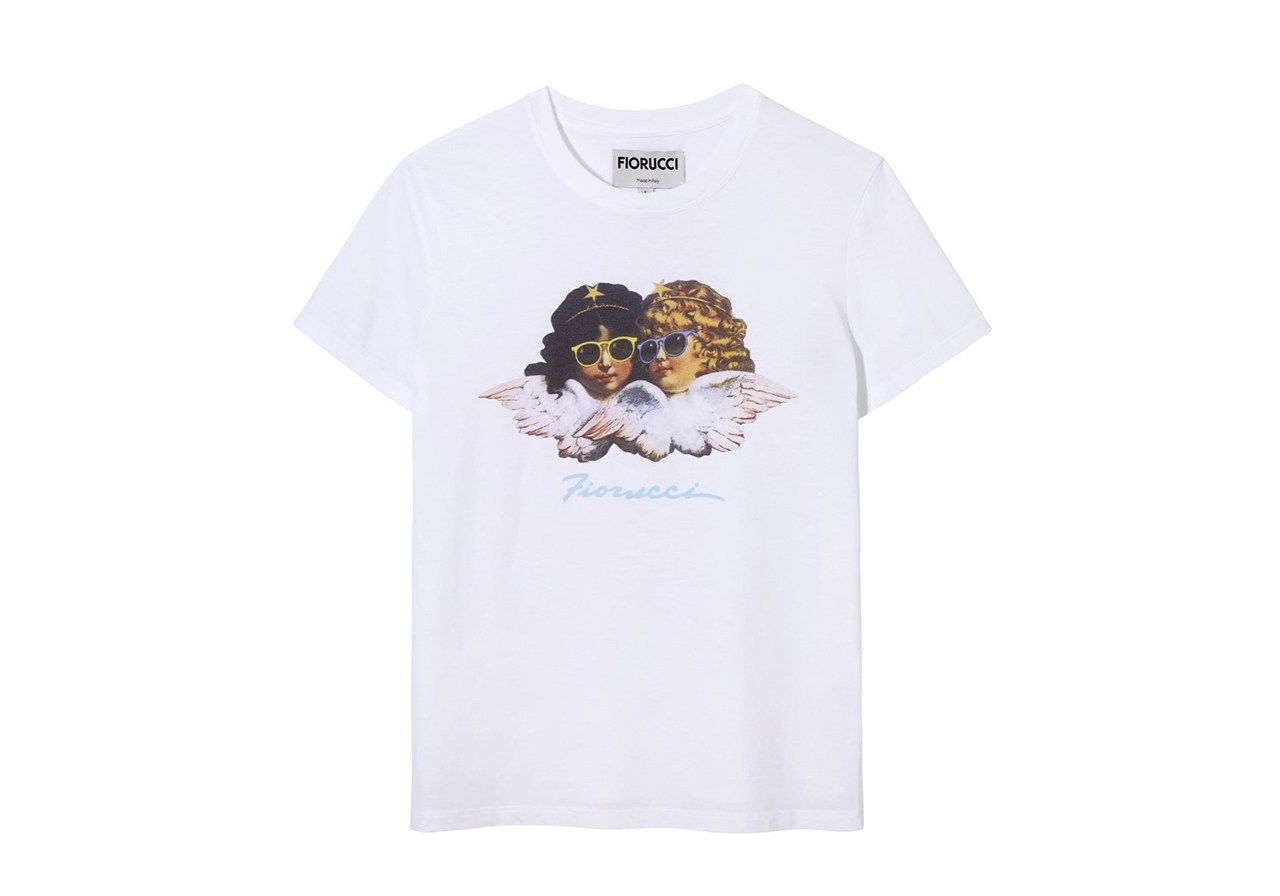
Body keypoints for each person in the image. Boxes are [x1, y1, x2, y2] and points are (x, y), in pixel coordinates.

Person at [635, 280, 754, 394]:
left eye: (673, 343)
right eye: (649, 348)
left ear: (709, 344)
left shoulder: (735, 397)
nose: (659, 356)